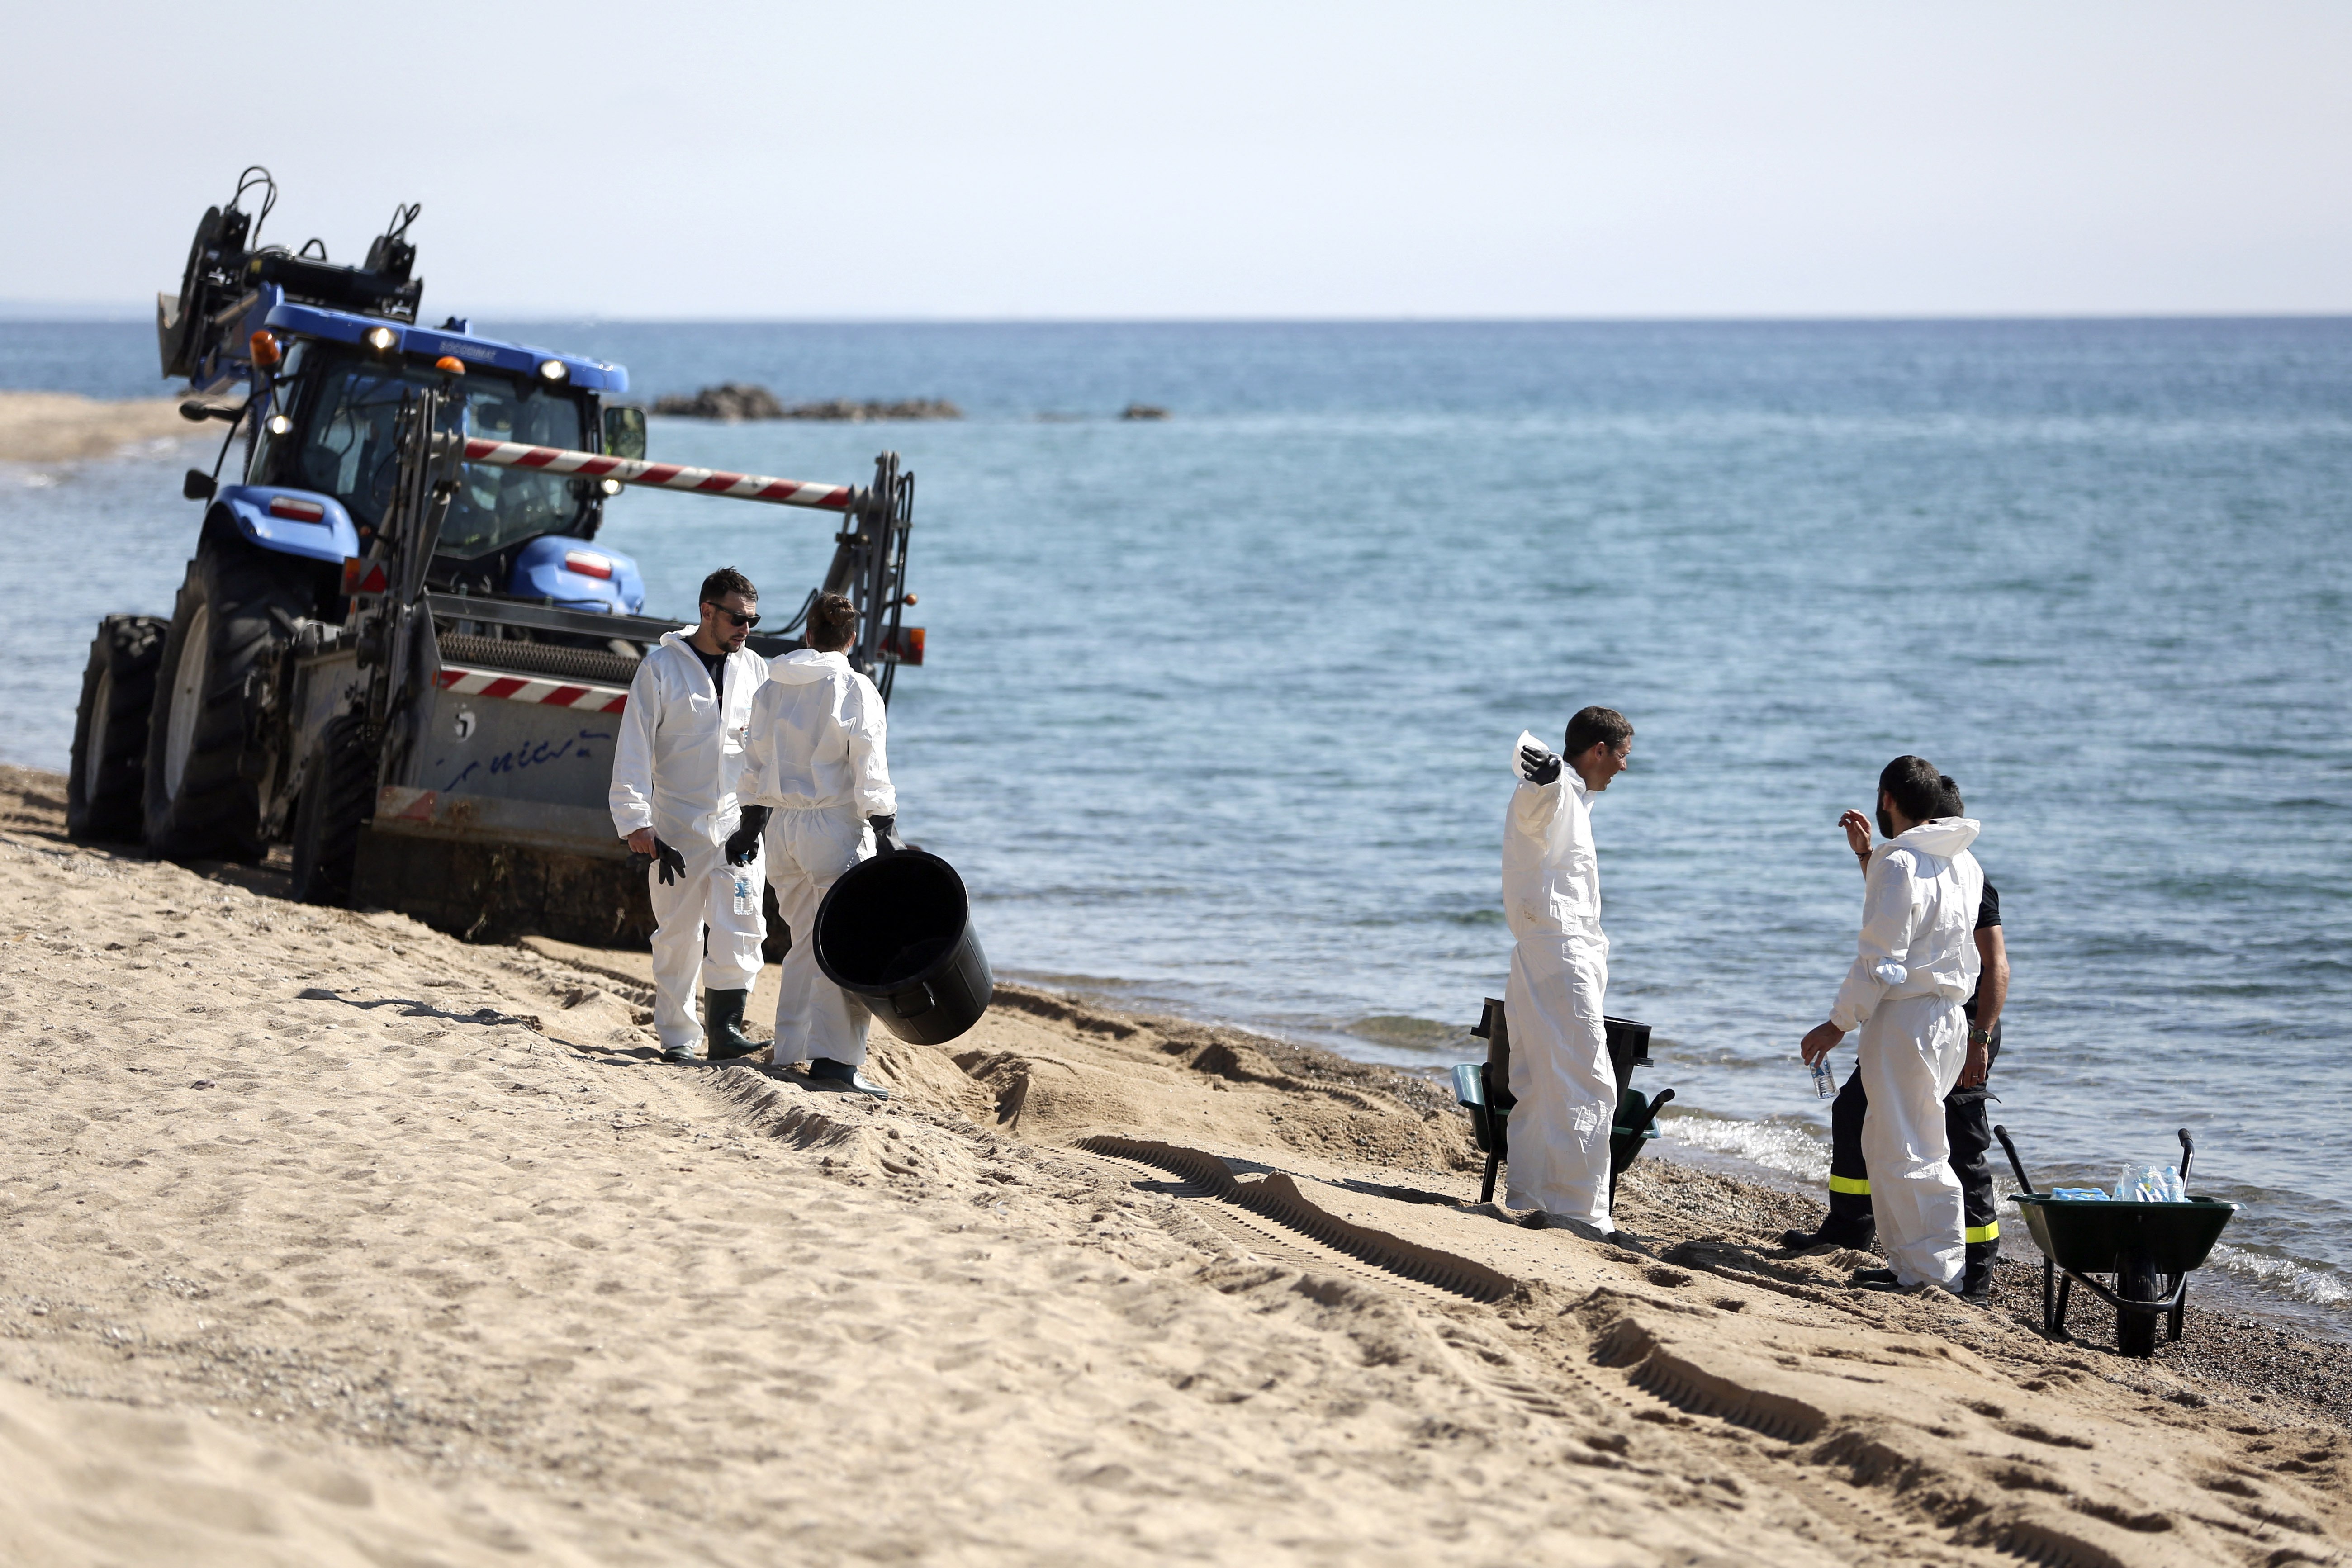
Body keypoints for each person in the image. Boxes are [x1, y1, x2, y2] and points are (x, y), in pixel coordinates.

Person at [1782, 777, 2011, 1303]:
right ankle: (1916, 1263)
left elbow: (1883, 957)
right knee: (1910, 1143)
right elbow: (1912, 922)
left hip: (1913, 1020)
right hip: (1947, 1016)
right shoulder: (1962, 864)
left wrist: (1837, 1022)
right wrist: (1869, 856)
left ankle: (1940, 1271)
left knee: (1913, 1149)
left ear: (1887, 798)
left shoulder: (1903, 862)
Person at [739, 592, 898, 1099]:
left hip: (781, 829)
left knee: (806, 940)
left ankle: (791, 1048)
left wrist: (748, 821)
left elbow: (753, 759)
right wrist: (886, 826)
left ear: (807, 634)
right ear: (849, 640)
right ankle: (836, 1063)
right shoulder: (854, 687)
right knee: (846, 946)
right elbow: (869, 765)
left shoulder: (772, 685)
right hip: (833, 828)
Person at [609, 568, 772, 1064]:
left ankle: (725, 1031)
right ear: (707, 612)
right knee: (678, 933)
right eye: (738, 618)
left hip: (736, 825)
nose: (747, 628)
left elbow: (768, 750)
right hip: (676, 824)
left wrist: (759, 820)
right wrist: (636, 820)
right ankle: (679, 1036)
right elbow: (633, 746)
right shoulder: (660, 668)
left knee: (742, 924)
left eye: (753, 619)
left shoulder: (757, 670)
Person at [1501, 706, 1634, 1237]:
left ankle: (1529, 1195)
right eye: (1623, 754)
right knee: (1589, 1081)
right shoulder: (1553, 792)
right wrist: (1547, 778)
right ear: (1598, 750)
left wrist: (1555, 781)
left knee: (1536, 1082)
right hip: (1559, 953)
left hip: (1543, 952)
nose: (1625, 766)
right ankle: (1582, 1212)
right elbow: (1534, 807)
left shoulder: (1574, 798)